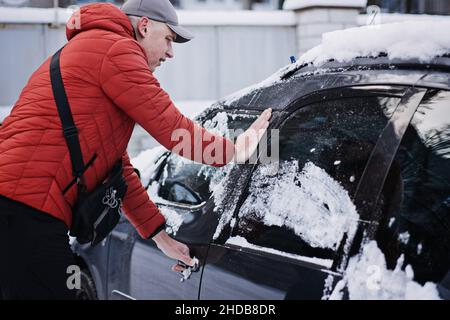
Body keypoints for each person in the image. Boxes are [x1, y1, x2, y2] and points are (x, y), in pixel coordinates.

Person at [0, 0, 272, 299]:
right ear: (144, 26)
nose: (170, 52)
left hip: (20, 209)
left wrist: (160, 237)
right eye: (168, 38)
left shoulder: (94, 49)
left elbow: (116, 170)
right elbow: (173, 129)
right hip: (25, 210)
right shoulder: (116, 49)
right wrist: (234, 150)